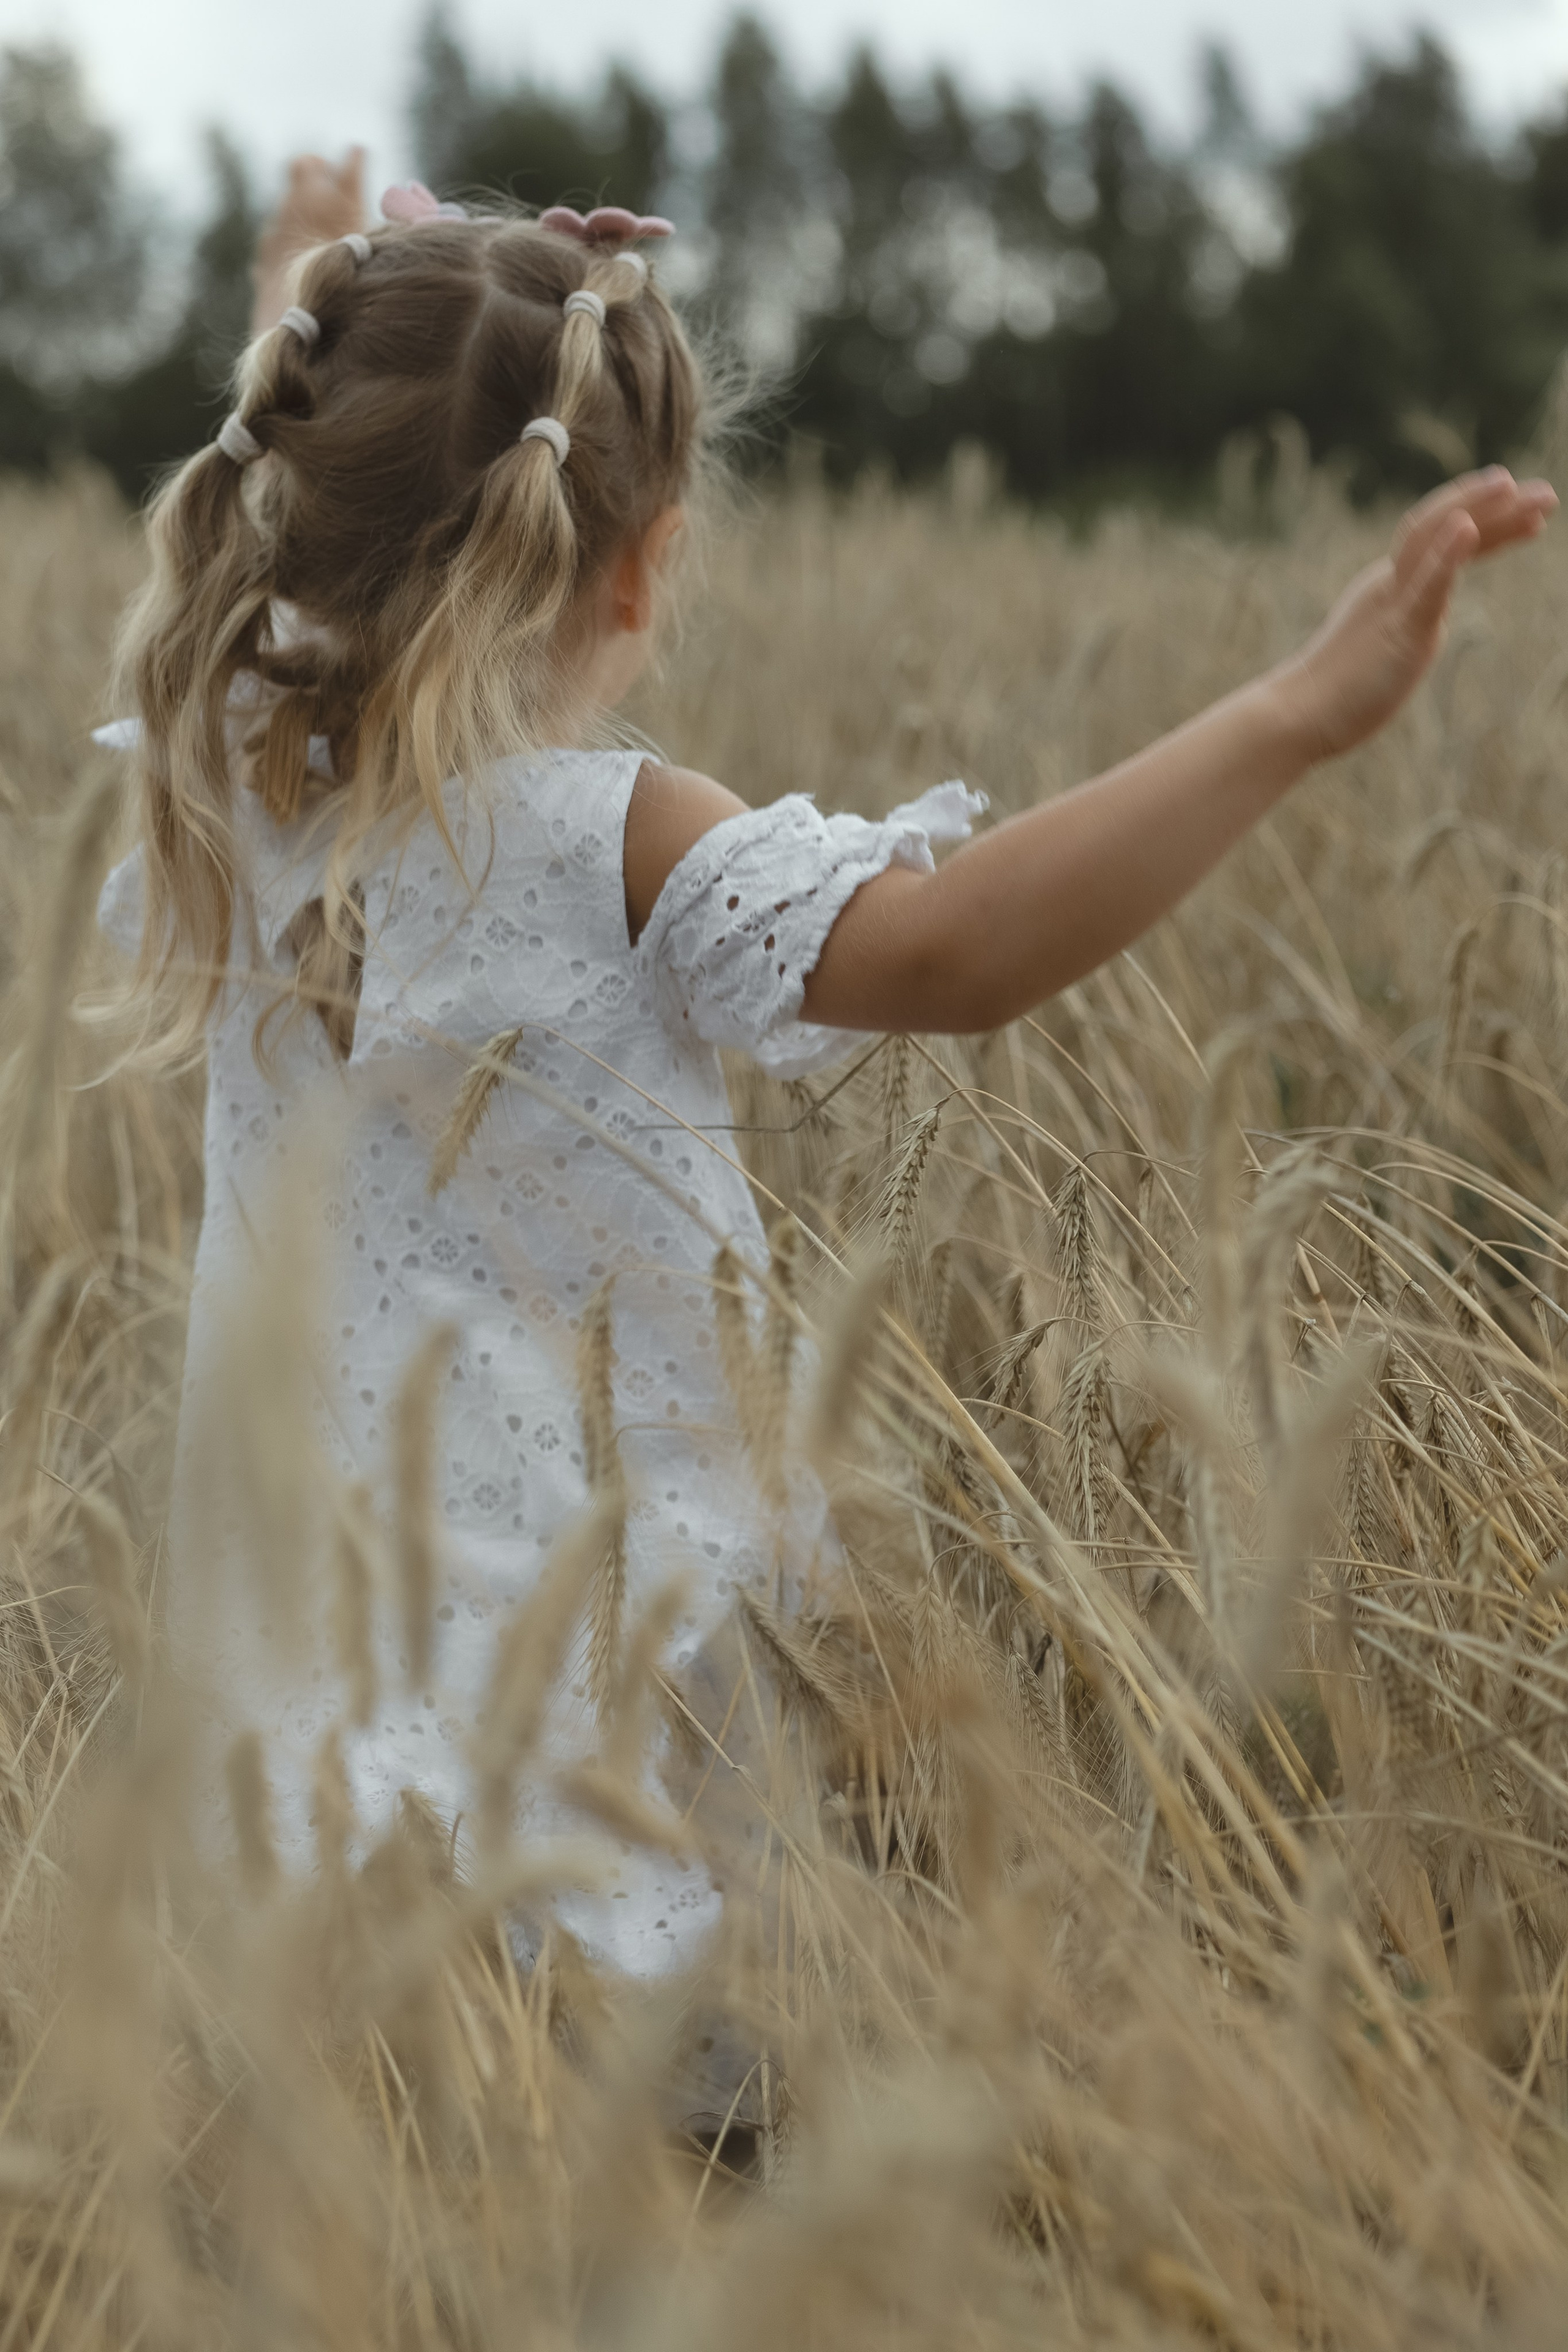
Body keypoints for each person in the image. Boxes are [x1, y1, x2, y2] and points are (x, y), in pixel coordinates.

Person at [97, 149, 1555, 1992]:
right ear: (645, 567)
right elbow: (951, 952)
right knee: (645, 2147)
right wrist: (1292, 713)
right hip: (600, 1680)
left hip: (298, 1671)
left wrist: (325, 285)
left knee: (378, 2172)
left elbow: (317, 475)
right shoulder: (604, 833)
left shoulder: (228, 770)